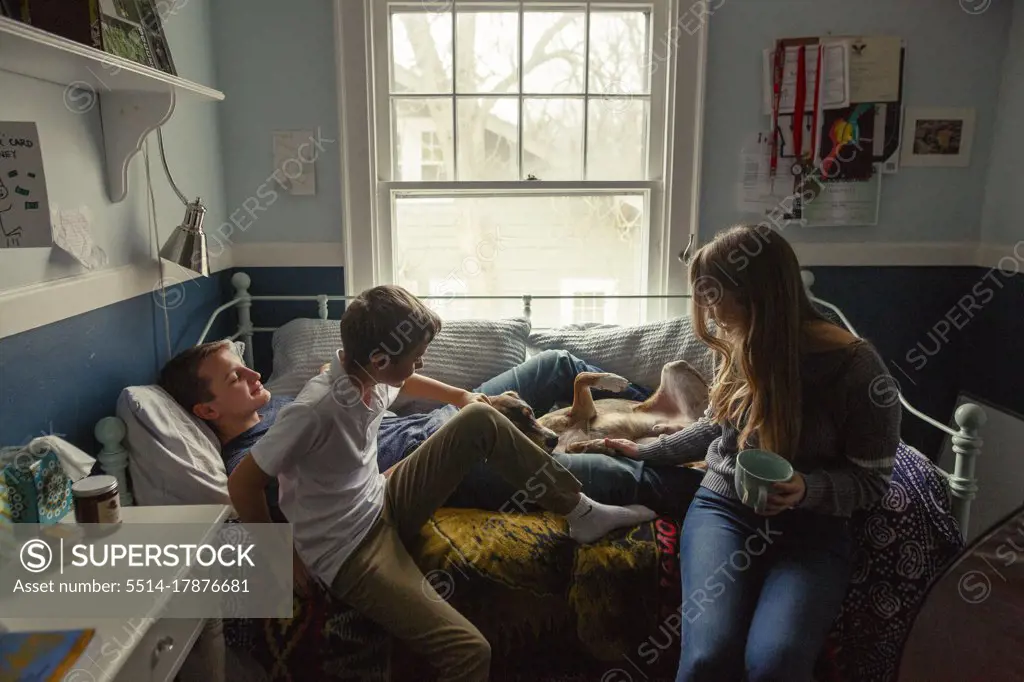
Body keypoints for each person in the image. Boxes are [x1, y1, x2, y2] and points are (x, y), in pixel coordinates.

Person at [223, 286, 657, 682]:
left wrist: (459, 396)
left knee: (480, 417)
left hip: (380, 497)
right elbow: (243, 483)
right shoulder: (313, 410)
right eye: (416, 356)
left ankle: (580, 511)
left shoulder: (364, 375)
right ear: (380, 360)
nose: (420, 364)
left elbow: (404, 378)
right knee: (469, 653)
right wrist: (278, 554)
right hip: (351, 551)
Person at [601, 225, 900, 682]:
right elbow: (715, 428)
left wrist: (806, 489)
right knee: (706, 658)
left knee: (775, 663)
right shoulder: (742, 343)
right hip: (724, 512)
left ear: (754, 295)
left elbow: (872, 480)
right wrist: (648, 450)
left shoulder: (858, 370)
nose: (707, 310)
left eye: (713, 295)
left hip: (813, 533)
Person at [159, 345, 703, 522]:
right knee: (606, 476)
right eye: (236, 376)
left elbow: (378, 380)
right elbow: (350, 498)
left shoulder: (282, 403)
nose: (254, 374)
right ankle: (708, 490)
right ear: (206, 410)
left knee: (556, 363)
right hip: (447, 466)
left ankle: (661, 408)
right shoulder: (251, 462)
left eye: (247, 365)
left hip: (442, 419)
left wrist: (462, 396)